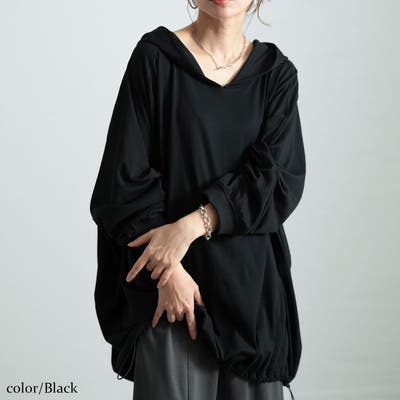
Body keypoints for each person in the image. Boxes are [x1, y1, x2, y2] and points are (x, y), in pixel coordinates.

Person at [89, 1, 306, 399]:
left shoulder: (276, 75)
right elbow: (123, 182)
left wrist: (192, 225)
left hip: (251, 302)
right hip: (170, 297)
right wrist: (168, 273)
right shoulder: (155, 59)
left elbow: (276, 182)